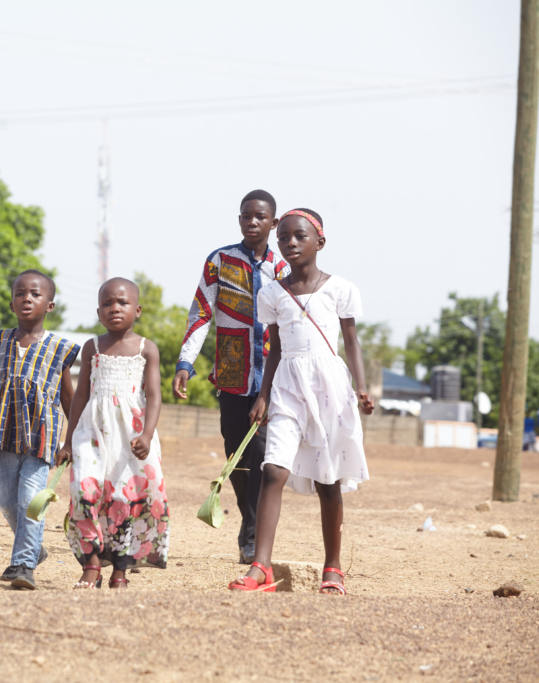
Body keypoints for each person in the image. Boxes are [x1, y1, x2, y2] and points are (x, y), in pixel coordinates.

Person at [228, 208, 374, 594]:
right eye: (284, 238)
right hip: (287, 387)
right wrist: (262, 395)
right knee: (273, 469)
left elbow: (352, 342)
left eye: (300, 237)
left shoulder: (340, 289)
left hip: (330, 388)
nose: (290, 243)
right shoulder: (272, 293)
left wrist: (362, 388)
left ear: (319, 242)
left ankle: (333, 568)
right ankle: (261, 566)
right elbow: (274, 349)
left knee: (329, 481)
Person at [173, 189, 289, 564]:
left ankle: (253, 538)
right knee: (235, 457)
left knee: (261, 458)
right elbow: (201, 313)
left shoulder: (284, 267)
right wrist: (185, 364)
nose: (251, 222)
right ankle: (249, 521)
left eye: (259, 217)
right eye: (245, 216)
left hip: (271, 381)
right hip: (231, 377)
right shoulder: (220, 261)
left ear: (273, 222)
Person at [61, 278, 168, 589]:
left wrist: (147, 435)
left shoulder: (147, 348)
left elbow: (154, 395)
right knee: (84, 491)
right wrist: (68, 441)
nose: (114, 308)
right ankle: (92, 563)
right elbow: (81, 395)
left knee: (123, 499)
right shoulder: (92, 347)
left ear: (137, 310)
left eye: (121, 303)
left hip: (131, 437)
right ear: (98, 311)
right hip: (92, 432)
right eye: (107, 304)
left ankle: (119, 569)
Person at [0, 270, 79, 590]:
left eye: (35, 294)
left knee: (29, 501)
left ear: (49, 305)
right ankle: (34, 550)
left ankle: (23, 564)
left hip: (41, 437)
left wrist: (71, 441)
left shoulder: (59, 348)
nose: (27, 299)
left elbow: (68, 398)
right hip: (4, 434)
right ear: (11, 303)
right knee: (6, 500)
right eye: (20, 293)